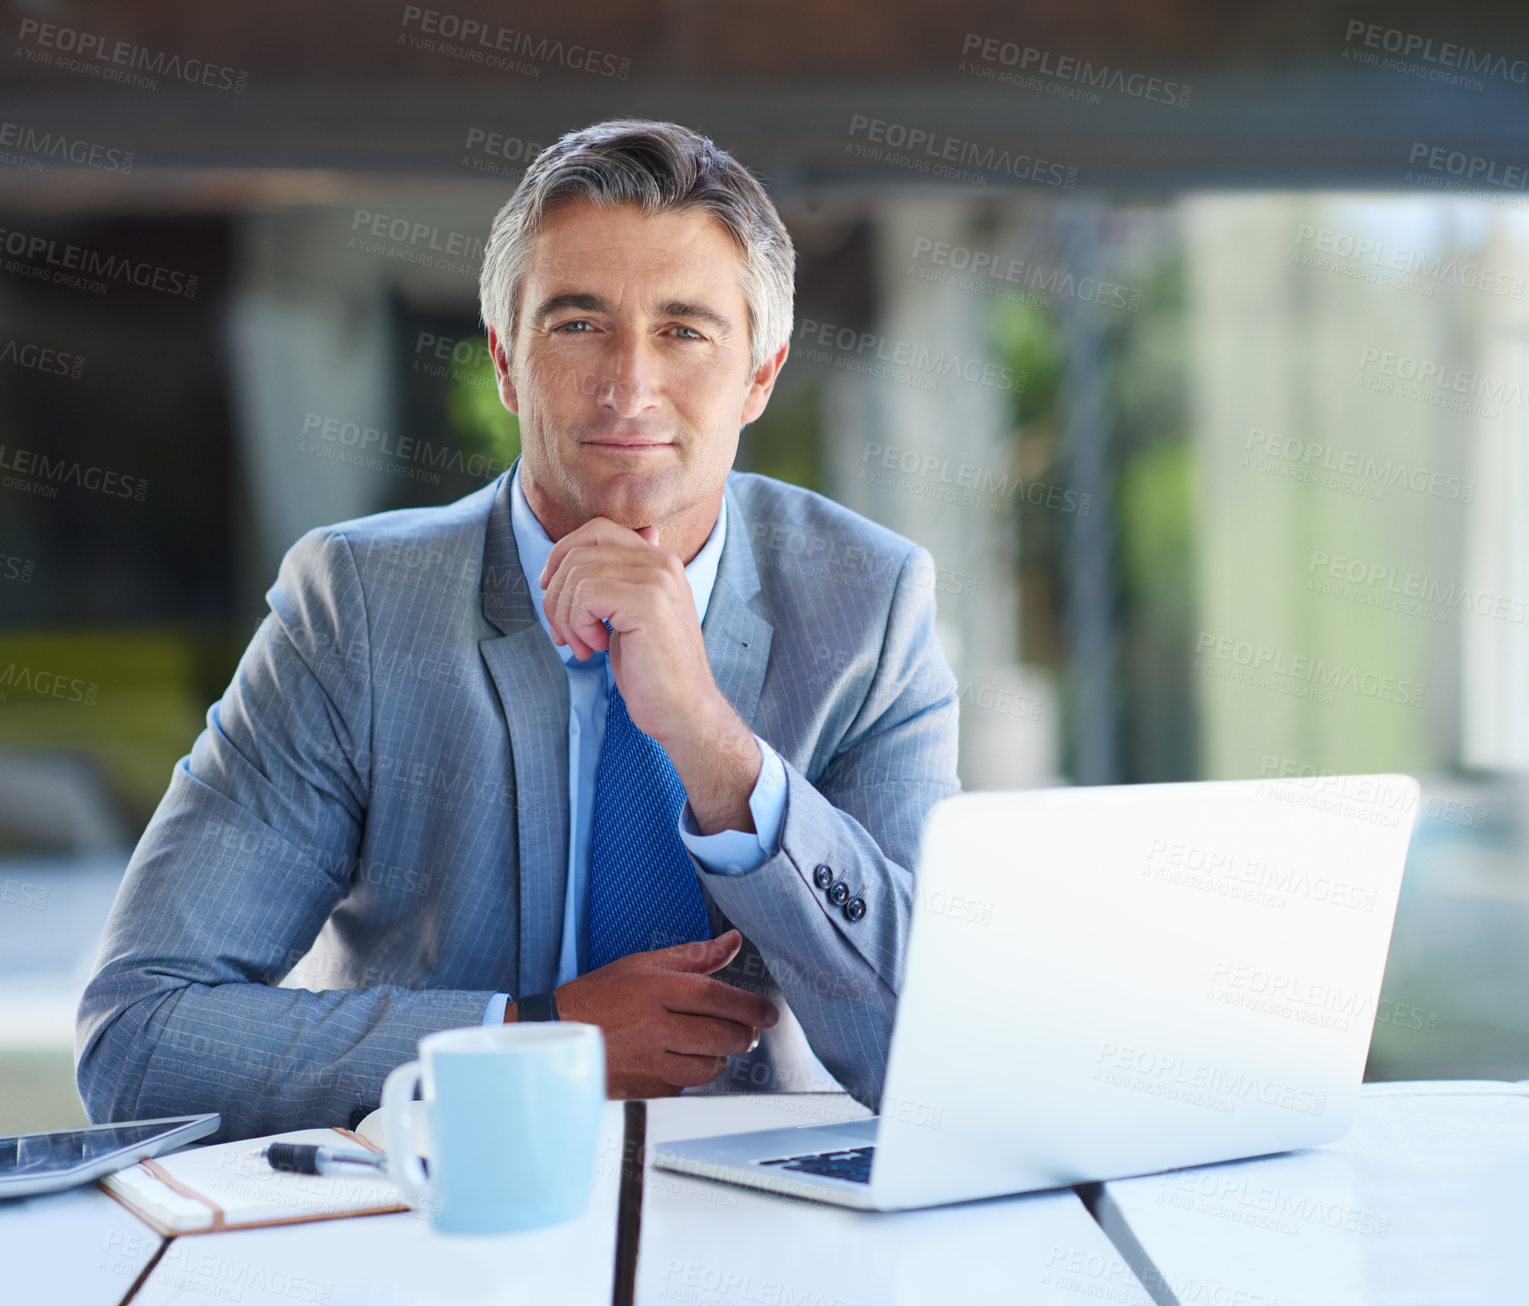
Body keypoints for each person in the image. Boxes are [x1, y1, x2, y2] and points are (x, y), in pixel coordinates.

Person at [76, 118, 960, 1141]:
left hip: (767, 1227)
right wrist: (535, 1038)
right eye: (578, 324)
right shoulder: (356, 609)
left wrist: (714, 748)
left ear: (759, 374)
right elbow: (138, 1037)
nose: (629, 386)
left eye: (684, 329)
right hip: (437, 1216)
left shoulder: (869, 604)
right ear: (504, 362)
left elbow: (929, 1052)